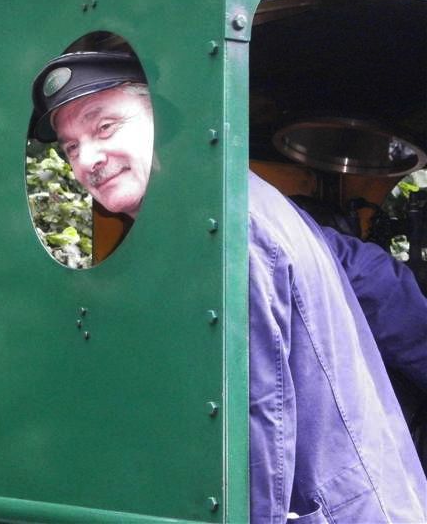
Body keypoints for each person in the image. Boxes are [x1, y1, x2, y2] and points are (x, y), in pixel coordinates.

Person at [30, 51, 427, 522]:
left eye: (105, 127)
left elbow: (256, 423)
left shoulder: (222, 226)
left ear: (166, 121)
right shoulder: (203, 214)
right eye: (71, 148)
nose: (88, 160)